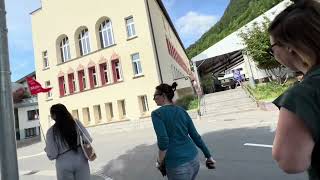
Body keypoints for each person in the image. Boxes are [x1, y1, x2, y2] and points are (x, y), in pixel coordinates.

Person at [267, 0, 320, 179]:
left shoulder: (303, 94)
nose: (273, 55)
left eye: (272, 48)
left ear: (289, 46)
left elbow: (290, 162)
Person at [151, 82, 216, 180]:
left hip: (177, 165)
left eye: (155, 96)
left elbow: (163, 141)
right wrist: (208, 156)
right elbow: (195, 135)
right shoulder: (182, 111)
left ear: (163, 96)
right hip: (194, 160)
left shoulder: (157, 114)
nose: (154, 99)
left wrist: (159, 162)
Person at [45, 103, 92, 180]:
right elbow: (88, 139)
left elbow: (52, 155)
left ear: (54, 116)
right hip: (80, 159)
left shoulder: (51, 132)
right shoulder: (76, 123)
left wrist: (47, 149)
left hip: (63, 163)